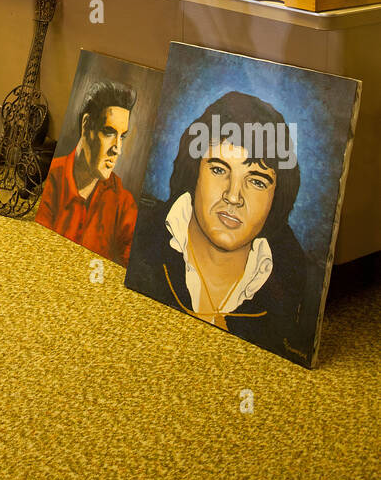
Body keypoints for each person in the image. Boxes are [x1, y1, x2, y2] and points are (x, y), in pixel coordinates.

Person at [126, 90, 307, 360]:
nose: (233, 196)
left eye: (256, 181)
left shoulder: (297, 289)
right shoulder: (135, 237)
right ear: (194, 171)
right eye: (219, 169)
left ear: (276, 199)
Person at [35, 79, 138, 265]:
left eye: (122, 136)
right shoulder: (52, 181)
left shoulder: (123, 204)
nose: (118, 149)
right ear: (86, 125)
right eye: (109, 132)